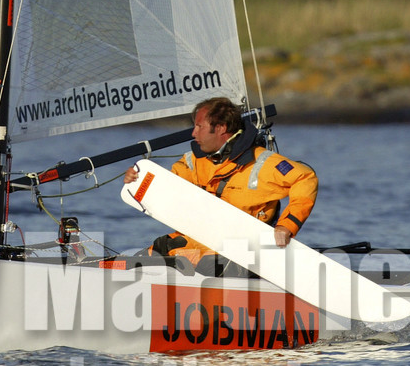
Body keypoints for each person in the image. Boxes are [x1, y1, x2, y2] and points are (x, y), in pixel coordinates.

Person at [122, 96, 317, 266]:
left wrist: (287, 226)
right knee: (159, 248)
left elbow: (306, 178)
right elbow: (170, 188)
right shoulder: (193, 161)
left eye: (199, 126)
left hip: (242, 253)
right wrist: (136, 179)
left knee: (207, 265)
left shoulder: (263, 162)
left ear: (221, 128)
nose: (193, 133)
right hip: (198, 244)